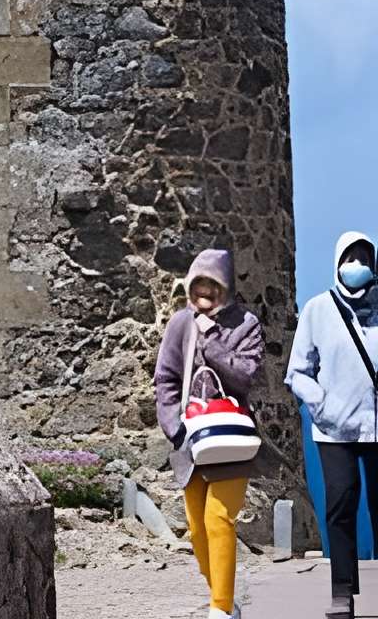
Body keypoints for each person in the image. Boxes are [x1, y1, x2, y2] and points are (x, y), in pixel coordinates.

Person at [156, 246, 266, 618]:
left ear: (226, 286)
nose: (205, 293)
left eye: (212, 285)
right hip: (190, 439)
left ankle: (219, 609)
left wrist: (213, 342)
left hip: (230, 439)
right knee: (196, 530)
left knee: (219, 519)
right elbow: (166, 379)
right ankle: (225, 597)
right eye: (198, 284)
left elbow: (246, 375)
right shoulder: (179, 324)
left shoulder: (246, 324)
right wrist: (174, 426)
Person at [288, 230, 378, 616]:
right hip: (334, 429)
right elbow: (298, 372)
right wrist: (321, 403)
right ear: (337, 263)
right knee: (341, 504)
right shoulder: (317, 310)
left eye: (364, 259)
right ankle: (342, 591)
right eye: (350, 258)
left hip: (377, 426)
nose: (357, 266)